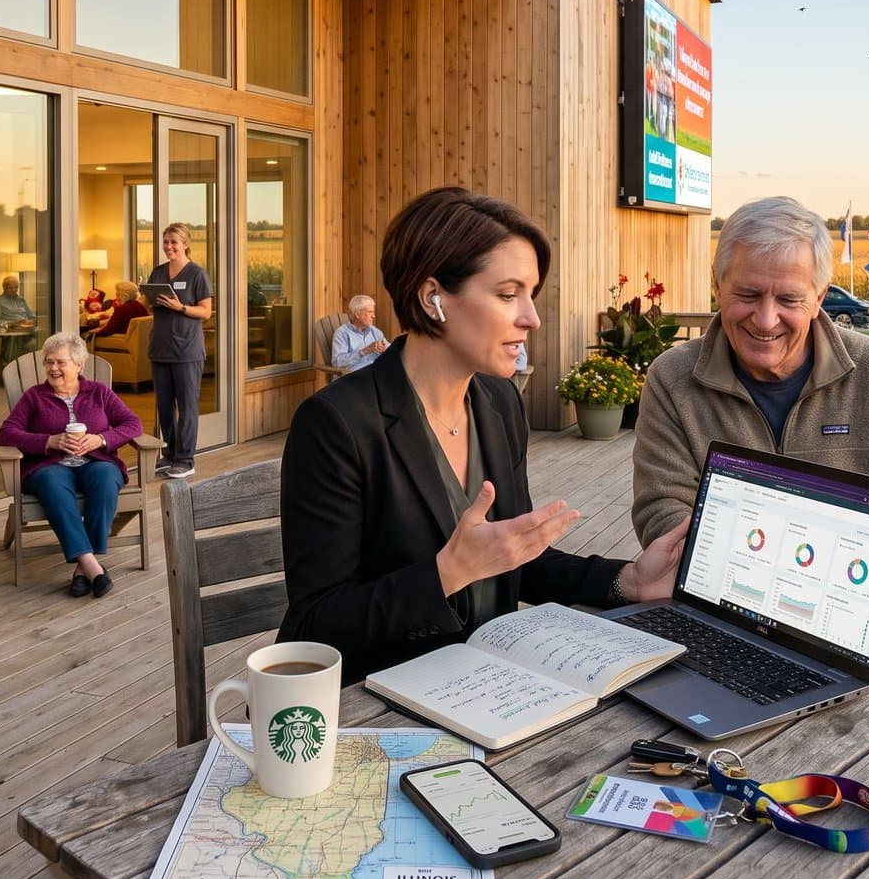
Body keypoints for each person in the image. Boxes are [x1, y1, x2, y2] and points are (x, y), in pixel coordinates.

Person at [278, 187, 687, 682]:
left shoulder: (498, 401)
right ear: (433, 298)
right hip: (381, 701)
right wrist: (447, 573)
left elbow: (514, 558)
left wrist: (627, 581)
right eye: (508, 294)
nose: (531, 318)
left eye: (530, 295)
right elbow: (315, 625)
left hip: (496, 688)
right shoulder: (336, 424)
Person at [631, 196, 869, 617]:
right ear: (717, 285)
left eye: (789, 300)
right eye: (747, 294)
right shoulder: (673, 379)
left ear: (819, 298)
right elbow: (664, 508)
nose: (765, 319)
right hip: (726, 608)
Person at [0, 333, 143, 598]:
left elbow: (133, 424)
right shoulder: (34, 397)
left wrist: (100, 440)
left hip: (96, 460)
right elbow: (7, 433)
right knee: (53, 485)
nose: (53, 368)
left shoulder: (99, 392)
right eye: (48, 362)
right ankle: (92, 567)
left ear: (79, 365)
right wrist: (48, 441)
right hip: (49, 464)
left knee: (106, 479)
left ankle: (81, 569)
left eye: (60, 362)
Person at [145, 223, 212, 480]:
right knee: (164, 406)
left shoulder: (197, 274)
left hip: (186, 350)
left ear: (186, 244)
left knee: (186, 406)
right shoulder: (158, 272)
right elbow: (151, 305)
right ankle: (170, 453)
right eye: (166, 242)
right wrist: (145, 295)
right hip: (160, 348)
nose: (169, 247)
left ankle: (185, 459)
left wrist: (180, 307)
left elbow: (205, 311)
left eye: (174, 242)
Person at [331, 294, 389, 370]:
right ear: (357, 314)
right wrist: (364, 351)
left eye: (373, 312)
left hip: (376, 372)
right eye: (370, 312)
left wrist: (385, 350)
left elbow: (390, 350)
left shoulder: (375, 332)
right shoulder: (342, 333)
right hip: (354, 374)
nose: (373, 316)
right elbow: (337, 362)